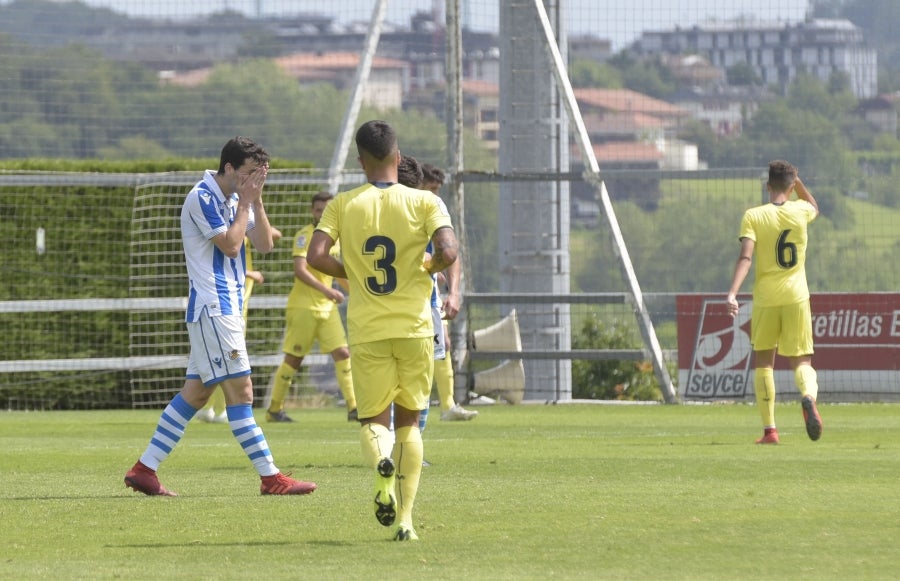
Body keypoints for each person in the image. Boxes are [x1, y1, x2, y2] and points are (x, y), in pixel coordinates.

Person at [124, 136, 316, 496]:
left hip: (222, 309)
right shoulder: (203, 196)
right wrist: (245, 202)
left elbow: (265, 245)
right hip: (215, 307)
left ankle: (144, 469)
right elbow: (230, 245)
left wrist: (254, 199)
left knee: (195, 395)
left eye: (257, 176)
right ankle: (271, 478)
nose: (251, 181)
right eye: (247, 174)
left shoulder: (236, 197)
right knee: (242, 393)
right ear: (228, 168)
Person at [307, 120, 458, 541]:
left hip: (368, 328)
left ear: (361, 162)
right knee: (410, 421)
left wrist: (352, 272)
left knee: (373, 419)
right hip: (415, 329)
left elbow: (316, 256)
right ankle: (406, 521)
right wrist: (427, 268)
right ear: (397, 155)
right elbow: (448, 250)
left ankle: (380, 467)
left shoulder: (342, 204)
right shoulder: (426, 202)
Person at [726, 160, 823, 445]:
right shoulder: (801, 210)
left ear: (767, 187)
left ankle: (770, 431)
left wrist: (732, 293)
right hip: (796, 296)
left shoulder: (753, 216)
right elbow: (814, 205)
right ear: (791, 187)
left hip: (767, 299)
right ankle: (807, 396)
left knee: (764, 363)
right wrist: (799, 182)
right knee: (802, 360)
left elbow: (746, 257)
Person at [266, 191, 357, 423]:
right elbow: (301, 269)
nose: (322, 213)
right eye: (318, 210)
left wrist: (356, 292)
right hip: (304, 308)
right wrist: (328, 291)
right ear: (312, 211)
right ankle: (274, 410)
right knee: (294, 359)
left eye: (326, 209)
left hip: (328, 309)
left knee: (343, 353)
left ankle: (353, 408)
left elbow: (338, 272)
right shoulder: (304, 236)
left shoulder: (335, 239)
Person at [197, 231, 282, 424]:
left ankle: (209, 408)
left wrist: (251, 222)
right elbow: (223, 266)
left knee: (219, 357)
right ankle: (221, 410)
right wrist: (252, 273)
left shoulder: (240, 229)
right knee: (231, 358)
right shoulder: (227, 234)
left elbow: (273, 235)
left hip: (231, 307)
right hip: (229, 308)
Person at [421, 162, 478, 422]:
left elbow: (449, 250)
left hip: (427, 289)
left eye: (438, 189)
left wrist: (451, 288)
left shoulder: (436, 207)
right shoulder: (409, 204)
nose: (436, 194)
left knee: (443, 343)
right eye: (431, 188)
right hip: (406, 293)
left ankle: (447, 405)